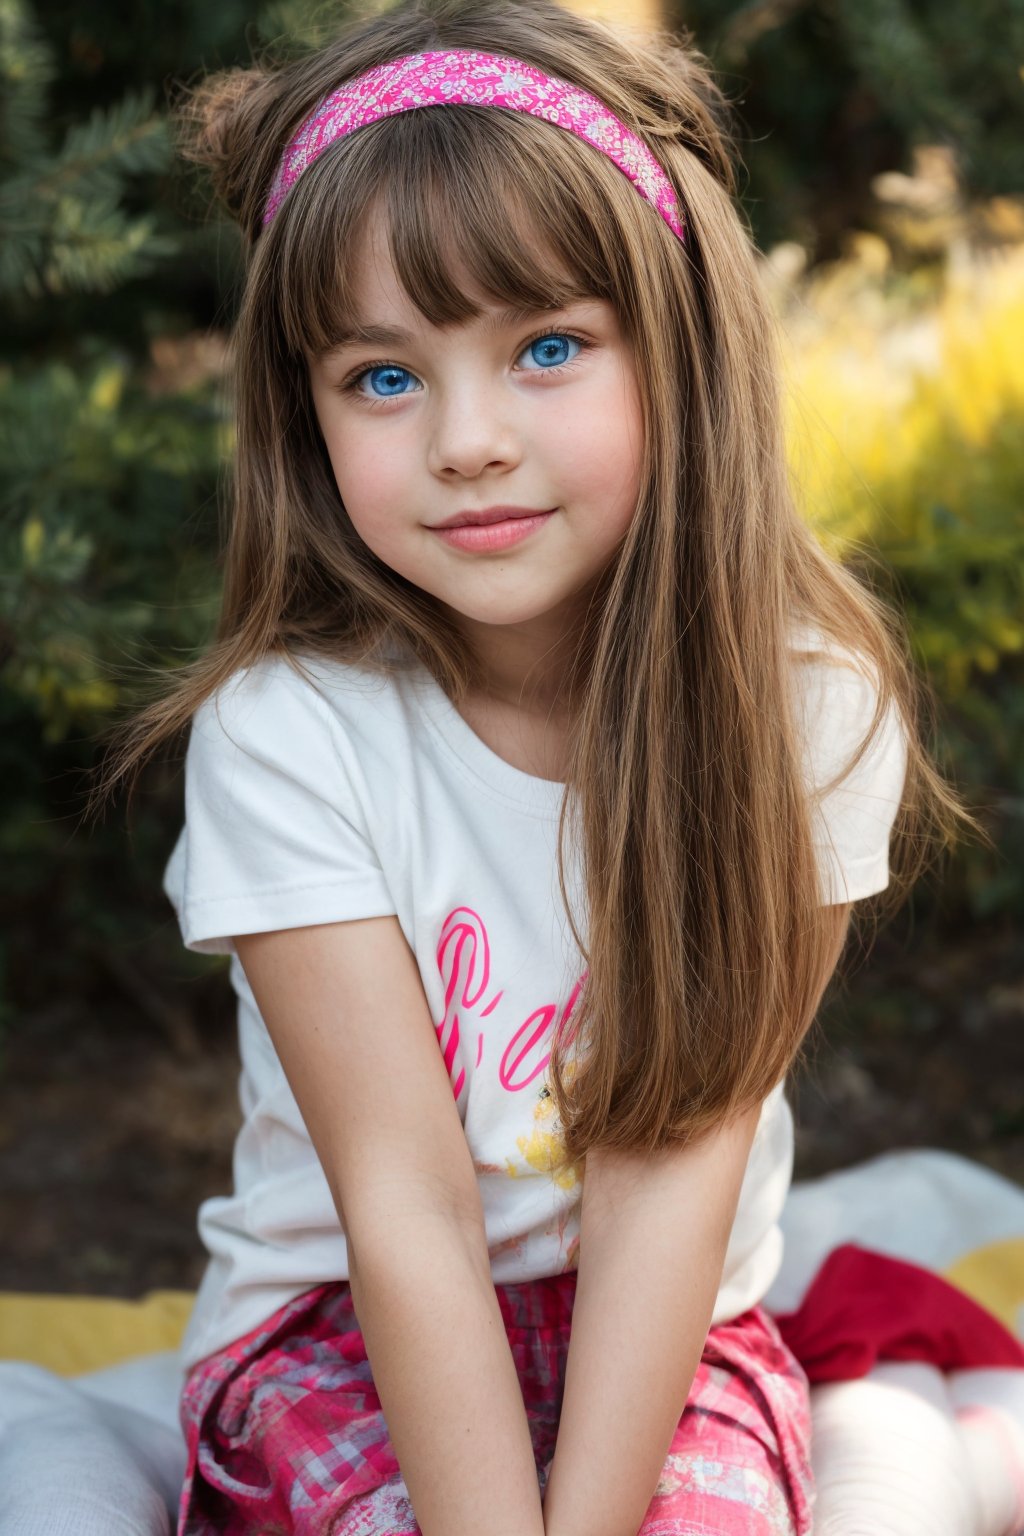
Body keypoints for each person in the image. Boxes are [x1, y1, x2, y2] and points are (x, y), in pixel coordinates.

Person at [89, 1, 1022, 1532]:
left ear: (678, 354)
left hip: (667, 1321)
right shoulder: (292, 736)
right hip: (340, 1326)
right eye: (383, 378)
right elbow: (407, 1210)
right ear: (304, 418)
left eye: (546, 348)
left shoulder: (801, 710)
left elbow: (673, 1162)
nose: (467, 439)